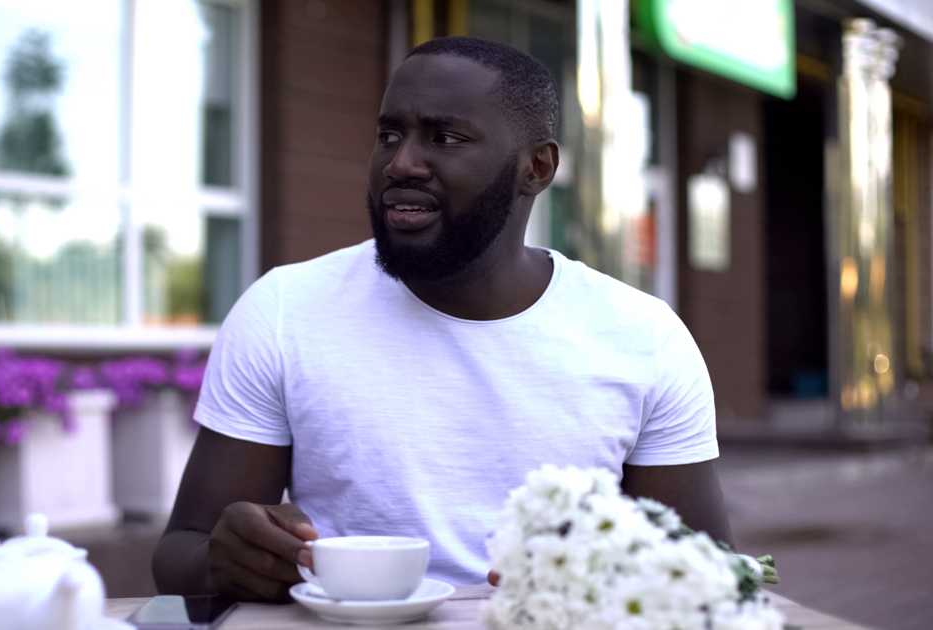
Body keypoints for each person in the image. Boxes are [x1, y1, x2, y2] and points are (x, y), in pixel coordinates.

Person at [152, 36, 731, 602]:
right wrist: (227, 561)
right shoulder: (285, 310)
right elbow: (180, 553)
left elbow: (710, 574)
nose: (401, 163)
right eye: (389, 135)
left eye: (445, 138)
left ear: (536, 167)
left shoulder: (644, 338)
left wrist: (611, 583)